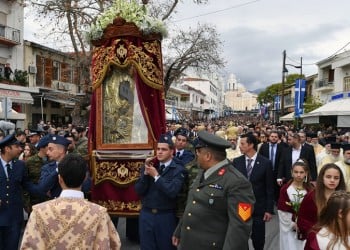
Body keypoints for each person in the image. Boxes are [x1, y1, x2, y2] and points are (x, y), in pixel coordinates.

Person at [173, 131, 255, 250]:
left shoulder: (237, 182)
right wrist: (179, 229)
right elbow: (192, 203)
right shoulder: (204, 172)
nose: (196, 157)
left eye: (198, 153)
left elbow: (239, 228)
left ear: (208, 156)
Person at [20, 153, 121, 249]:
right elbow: (113, 245)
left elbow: (28, 246)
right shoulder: (99, 213)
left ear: (60, 179)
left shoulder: (39, 212)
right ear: (85, 178)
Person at [0, 133, 57, 249]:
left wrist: (44, 188)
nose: (20, 149)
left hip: (14, 218)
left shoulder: (20, 165)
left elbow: (29, 186)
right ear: (7, 149)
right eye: (16, 147)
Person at [135, 134, 187, 250]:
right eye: (158, 149)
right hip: (147, 214)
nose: (159, 152)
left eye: (163, 149)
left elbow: (172, 191)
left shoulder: (178, 169)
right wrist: (145, 174)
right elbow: (138, 190)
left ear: (171, 151)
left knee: (166, 247)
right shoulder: (150, 166)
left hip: (165, 216)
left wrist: (156, 176)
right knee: (147, 247)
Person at [233, 132, 274, 250]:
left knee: (258, 239)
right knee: (241, 238)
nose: (239, 146)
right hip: (241, 207)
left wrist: (269, 210)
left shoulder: (266, 163)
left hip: (259, 208)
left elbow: (269, 188)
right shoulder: (237, 162)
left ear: (251, 145)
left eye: (242, 144)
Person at [297, 163, 346, 240]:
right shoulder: (311, 196)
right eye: (328, 177)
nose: (332, 180)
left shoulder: (344, 198)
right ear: (322, 178)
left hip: (339, 238)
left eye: (336, 178)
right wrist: (316, 233)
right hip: (317, 239)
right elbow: (302, 221)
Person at [277, 159, 314, 250]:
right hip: (290, 227)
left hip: (306, 227)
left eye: (301, 172)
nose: (298, 175)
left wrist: (306, 223)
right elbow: (282, 210)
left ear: (306, 173)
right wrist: (292, 224)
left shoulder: (311, 190)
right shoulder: (285, 190)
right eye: (296, 172)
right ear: (292, 172)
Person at [259, 130, 284, 202]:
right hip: (265, 172)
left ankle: (276, 203)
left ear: (278, 138)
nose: (273, 138)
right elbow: (260, 159)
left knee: (276, 190)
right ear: (269, 137)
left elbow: (282, 163)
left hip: (276, 173)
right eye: (272, 136)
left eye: (275, 137)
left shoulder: (281, 148)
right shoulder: (264, 146)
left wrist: (280, 175)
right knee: (266, 189)